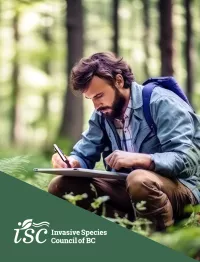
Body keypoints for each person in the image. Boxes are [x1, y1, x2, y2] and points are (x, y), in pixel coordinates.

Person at [48, 52, 200, 231]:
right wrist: (71, 162)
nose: (96, 105)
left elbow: (186, 160)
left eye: (99, 95)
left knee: (139, 179)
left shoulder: (162, 102)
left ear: (119, 81)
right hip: (131, 190)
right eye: (91, 99)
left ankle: (163, 241)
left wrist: (139, 159)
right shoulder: (103, 114)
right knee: (60, 185)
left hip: (182, 189)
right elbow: (84, 153)